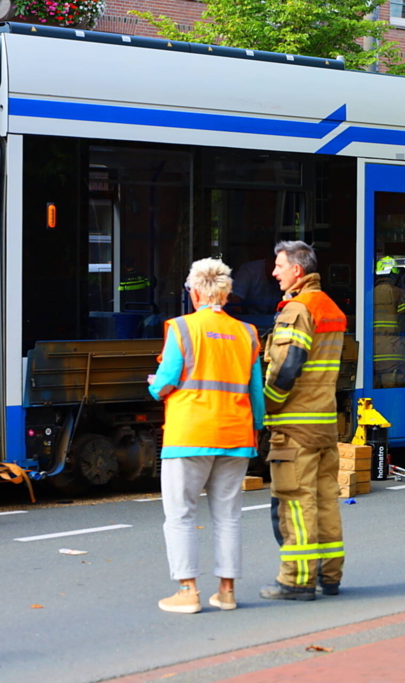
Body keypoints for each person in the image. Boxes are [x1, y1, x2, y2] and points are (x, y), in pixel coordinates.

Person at [149, 258, 265, 614]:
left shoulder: (182, 329)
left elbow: (167, 379)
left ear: (195, 292)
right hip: (235, 434)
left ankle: (187, 592)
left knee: (181, 513)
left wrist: (156, 388)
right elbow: (256, 394)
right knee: (228, 515)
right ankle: (226, 592)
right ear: (227, 293)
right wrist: (255, 428)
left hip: (189, 433)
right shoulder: (247, 333)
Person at [261, 240, 347, 601]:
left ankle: (296, 580)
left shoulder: (298, 310)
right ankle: (330, 575)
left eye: (279, 265)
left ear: (297, 270)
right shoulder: (329, 308)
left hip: (295, 426)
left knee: (295, 501)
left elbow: (286, 369)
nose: (274, 272)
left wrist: (268, 407)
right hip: (324, 424)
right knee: (326, 500)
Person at [373, 256, 405, 388]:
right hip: (394, 354)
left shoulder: (367, 294)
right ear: (394, 274)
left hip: (373, 353)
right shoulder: (399, 294)